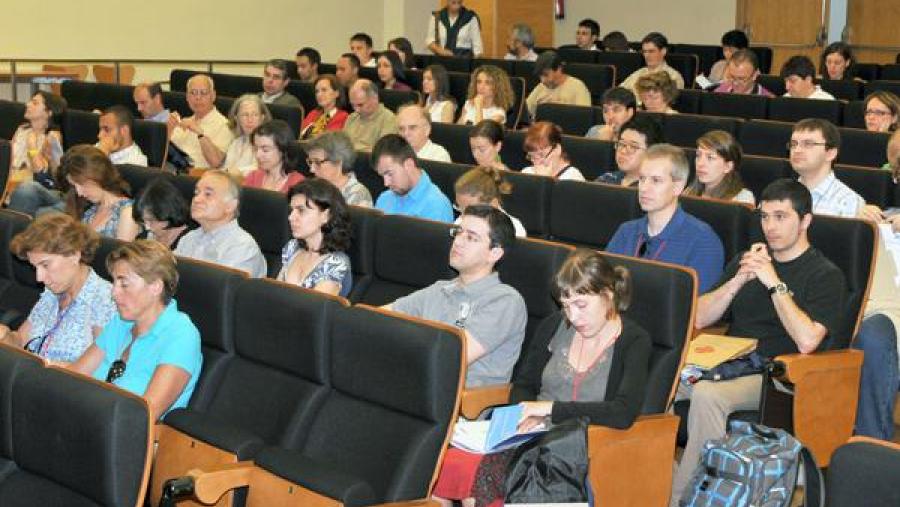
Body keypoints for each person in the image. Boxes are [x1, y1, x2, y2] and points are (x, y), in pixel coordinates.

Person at [671, 179, 845, 503]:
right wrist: (738, 281)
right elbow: (698, 318)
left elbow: (808, 341)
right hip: (728, 362)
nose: (770, 226)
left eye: (781, 217)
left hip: (775, 372)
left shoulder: (825, 274)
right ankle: (652, 476)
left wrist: (773, 283)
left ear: (805, 220)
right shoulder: (747, 260)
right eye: (765, 217)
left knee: (708, 395)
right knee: (659, 379)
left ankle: (689, 499)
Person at [432, 249, 651, 507]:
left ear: (608, 295)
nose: (573, 317)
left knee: (480, 487)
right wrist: (524, 413)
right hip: (532, 436)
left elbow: (622, 412)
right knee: (448, 464)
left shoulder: (634, 341)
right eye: (566, 306)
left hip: (584, 448)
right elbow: (525, 384)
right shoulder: (553, 326)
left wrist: (548, 409)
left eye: (581, 305)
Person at [385, 204, 526, 387]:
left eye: (471, 238)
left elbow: (449, 357)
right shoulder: (440, 289)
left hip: (458, 404)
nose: (458, 242)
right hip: (412, 383)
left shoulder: (505, 301)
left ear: (495, 253)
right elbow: (377, 318)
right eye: (458, 233)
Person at [69, 240, 203, 422]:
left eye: (124, 284)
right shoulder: (121, 322)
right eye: (114, 282)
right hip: (87, 419)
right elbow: (73, 376)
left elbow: (145, 414)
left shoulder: (181, 334)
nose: (114, 293)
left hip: (127, 437)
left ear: (155, 286)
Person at [606, 144, 724, 293]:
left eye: (656, 180)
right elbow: (603, 286)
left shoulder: (703, 240)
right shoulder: (626, 231)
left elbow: (697, 309)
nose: (644, 188)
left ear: (678, 187)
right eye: (642, 179)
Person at [0, 213, 116, 364]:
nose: (39, 277)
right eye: (35, 267)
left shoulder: (107, 299)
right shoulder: (51, 292)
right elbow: (21, 341)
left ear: (74, 255)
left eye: (45, 265)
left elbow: (103, 369)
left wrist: (49, 367)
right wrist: (6, 336)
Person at [174, 170, 267, 278]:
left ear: (230, 206)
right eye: (196, 193)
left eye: (208, 194)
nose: (197, 199)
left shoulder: (242, 247)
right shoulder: (189, 238)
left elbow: (225, 291)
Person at [278, 179, 353, 297]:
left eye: (301, 210)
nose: (291, 217)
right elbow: (274, 293)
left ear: (326, 216)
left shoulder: (335, 263)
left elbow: (313, 311)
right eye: (292, 210)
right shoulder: (292, 247)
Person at [7, 91, 67, 217]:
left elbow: (40, 173)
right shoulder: (22, 129)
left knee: (25, 189)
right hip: (10, 182)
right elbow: (9, 159)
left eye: (35, 103)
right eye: (30, 101)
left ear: (49, 112)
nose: (28, 104)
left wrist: (32, 146)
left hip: (33, 189)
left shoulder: (52, 137)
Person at [64, 145, 140, 241]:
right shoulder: (90, 210)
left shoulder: (127, 213)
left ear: (99, 175)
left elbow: (123, 255)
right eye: (75, 186)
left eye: (82, 184)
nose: (79, 193)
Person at [789, 118, 863, 217]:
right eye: (794, 144)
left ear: (830, 153)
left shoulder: (848, 202)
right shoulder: (780, 194)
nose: (797, 150)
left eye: (808, 144)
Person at [372, 134, 453, 222]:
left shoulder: (437, 205)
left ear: (409, 164)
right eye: (382, 176)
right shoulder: (384, 199)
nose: (386, 183)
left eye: (390, 174)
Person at [167, 74, 235, 169]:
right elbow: (166, 156)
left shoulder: (224, 125)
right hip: (173, 174)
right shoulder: (183, 122)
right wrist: (168, 130)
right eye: (193, 93)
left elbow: (216, 162)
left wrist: (200, 133)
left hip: (200, 178)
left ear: (213, 96)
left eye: (203, 93)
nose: (198, 97)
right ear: (187, 97)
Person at [684, 130, 755, 204]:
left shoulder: (742, 199)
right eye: (698, 155)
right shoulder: (688, 192)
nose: (700, 163)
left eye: (710, 157)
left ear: (727, 166)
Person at [305, 131, 373, 207]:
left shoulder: (358, 195)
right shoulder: (311, 189)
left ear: (337, 162)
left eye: (317, 162)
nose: (312, 169)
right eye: (310, 162)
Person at [454, 166, 526, 237]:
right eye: (460, 207)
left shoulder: (514, 230)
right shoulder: (460, 222)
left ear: (493, 204)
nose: (463, 216)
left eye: (470, 210)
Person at [597, 114, 663, 187]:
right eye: (622, 144)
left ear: (651, 153)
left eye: (633, 146)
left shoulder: (652, 190)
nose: (623, 151)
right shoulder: (607, 180)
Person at [525, 51, 591, 120]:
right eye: (540, 75)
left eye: (546, 75)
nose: (542, 80)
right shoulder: (541, 87)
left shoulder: (578, 87)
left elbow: (584, 118)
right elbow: (525, 112)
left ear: (559, 69)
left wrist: (556, 109)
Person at [242, 120, 304, 193]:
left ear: (283, 150)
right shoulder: (253, 177)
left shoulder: (298, 184)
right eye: (255, 149)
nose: (258, 155)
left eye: (265, 150)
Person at [133, 176, 193, 249]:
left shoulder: (189, 240)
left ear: (168, 212)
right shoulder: (143, 238)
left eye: (151, 221)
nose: (147, 227)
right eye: (143, 221)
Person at [220, 94, 273, 176]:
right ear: (236, 118)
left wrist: (236, 171)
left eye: (255, 115)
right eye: (245, 115)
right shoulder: (236, 142)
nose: (250, 120)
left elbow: (260, 170)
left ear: (262, 118)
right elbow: (226, 168)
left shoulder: (268, 144)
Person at [343, 79, 399, 151]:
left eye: (360, 105)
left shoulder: (389, 120)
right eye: (352, 105)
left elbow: (381, 151)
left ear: (374, 98)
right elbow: (341, 145)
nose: (356, 110)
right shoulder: (351, 117)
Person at [621, 32, 685, 95]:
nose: (647, 55)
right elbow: (619, 92)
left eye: (651, 51)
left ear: (663, 51)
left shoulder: (673, 77)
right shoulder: (638, 73)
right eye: (644, 52)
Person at [520, 122, 585, 181]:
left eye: (541, 155)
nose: (537, 162)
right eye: (532, 156)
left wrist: (543, 180)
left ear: (557, 149)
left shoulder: (573, 178)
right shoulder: (526, 172)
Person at [299, 74, 350, 140]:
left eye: (324, 90)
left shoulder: (343, 117)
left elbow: (328, 141)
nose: (319, 94)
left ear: (336, 93)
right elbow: (300, 136)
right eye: (317, 91)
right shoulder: (312, 114)